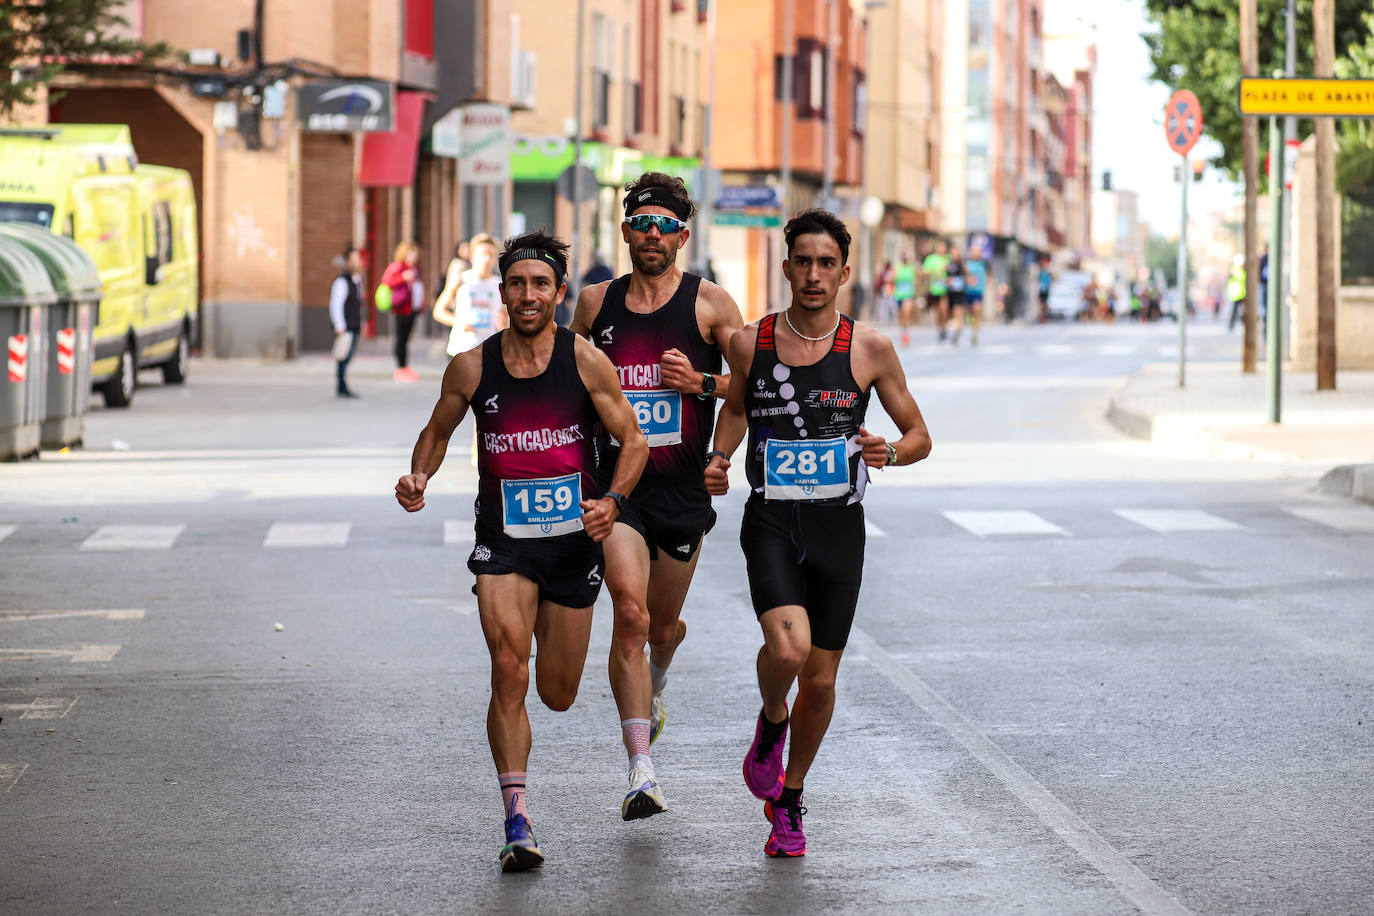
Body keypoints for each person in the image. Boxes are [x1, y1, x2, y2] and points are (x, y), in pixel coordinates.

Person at [395, 230, 648, 873]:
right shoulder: (474, 366)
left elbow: (633, 441)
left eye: (541, 284)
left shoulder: (586, 360)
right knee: (508, 665)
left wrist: (613, 501)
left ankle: (532, 765)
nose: (529, 295)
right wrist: (419, 475)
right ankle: (516, 817)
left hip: (572, 545)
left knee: (557, 691)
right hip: (503, 541)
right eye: (517, 284)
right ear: (501, 292)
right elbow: (436, 431)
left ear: (559, 293)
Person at [705, 209, 931, 858]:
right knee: (788, 650)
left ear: (844, 273)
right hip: (773, 520)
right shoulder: (752, 342)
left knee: (824, 681)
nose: (812, 274)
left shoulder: (869, 349)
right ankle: (771, 719)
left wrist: (891, 450)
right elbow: (737, 407)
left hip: (840, 529)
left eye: (825, 263)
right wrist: (720, 460)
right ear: (785, 269)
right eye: (801, 261)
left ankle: (791, 797)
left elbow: (920, 435)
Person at [570, 171, 745, 819]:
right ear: (625, 231)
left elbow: (755, 386)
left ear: (682, 235)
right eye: (642, 223)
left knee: (663, 627)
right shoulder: (594, 305)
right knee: (632, 617)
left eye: (665, 225)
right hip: (620, 493)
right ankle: (641, 768)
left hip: (680, 493)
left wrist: (701, 383)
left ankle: (658, 680)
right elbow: (569, 384)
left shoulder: (711, 306)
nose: (652, 234)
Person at [433, 234, 505, 357]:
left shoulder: (499, 285)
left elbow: (505, 316)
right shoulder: (461, 280)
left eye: (491, 255)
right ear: (472, 256)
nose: (487, 259)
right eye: (483, 254)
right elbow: (439, 311)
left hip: (488, 351)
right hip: (461, 349)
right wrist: (459, 322)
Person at [381, 242, 422, 381]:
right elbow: (387, 281)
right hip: (401, 308)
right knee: (401, 339)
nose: (413, 257)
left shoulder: (414, 268)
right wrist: (402, 277)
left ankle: (405, 367)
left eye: (414, 255)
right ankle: (400, 368)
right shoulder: (398, 266)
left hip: (412, 309)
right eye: (411, 254)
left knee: (406, 339)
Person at [328, 245, 364, 398]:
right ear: (348, 262)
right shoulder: (342, 282)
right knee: (343, 356)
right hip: (346, 326)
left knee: (348, 356)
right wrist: (339, 324)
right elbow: (336, 304)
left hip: (354, 325)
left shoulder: (357, 281)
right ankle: (341, 386)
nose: (359, 262)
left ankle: (342, 384)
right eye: (355, 259)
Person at [921, 240, 950, 341]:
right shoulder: (931, 259)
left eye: (943, 247)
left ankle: (944, 328)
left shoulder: (948, 259)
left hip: (945, 289)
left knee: (944, 309)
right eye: (939, 247)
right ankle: (940, 328)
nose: (941, 249)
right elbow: (924, 272)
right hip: (934, 289)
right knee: (937, 311)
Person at [964, 249, 988, 345]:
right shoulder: (967, 264)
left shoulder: (984, 264)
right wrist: (968, 280)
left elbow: (990, 275)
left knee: (977, 310)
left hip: (978, 291)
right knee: (970, 312)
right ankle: (971, 320)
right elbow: (964, 275)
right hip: (968, 291)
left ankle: (975, 333)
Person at [893, 255, 917, 346]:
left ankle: (906, 334)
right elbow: (891, 278)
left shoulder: (911, 268)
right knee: (901, 316)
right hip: (899, 295)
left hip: (908, 295)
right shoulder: (897, 268)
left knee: (906, 313)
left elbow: (917, 279)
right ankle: (903, 332)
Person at [944, 250, 966, 345]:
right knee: (949, 314)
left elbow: (966, 277)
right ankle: (953, 330)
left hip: (959, 293)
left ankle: (956, 332)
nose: (953, 255)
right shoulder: (948, 265)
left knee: (957, 313)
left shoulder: (962, 265)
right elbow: (944, 277)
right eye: (952, 253)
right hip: (950, 293)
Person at [1227, 254, 1246, 332]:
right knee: (1238, 310)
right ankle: (1234, 324)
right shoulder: (1238, 270)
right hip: (1238, 293)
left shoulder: (1234, 269)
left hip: (1237, 293)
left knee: (1237, 310)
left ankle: (1233, 325)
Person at [1037, 258, 1053, 324]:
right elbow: (1038, 281)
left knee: (1044, 304)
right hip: (1042, 290)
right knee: (1042, 304)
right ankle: (1042, 317)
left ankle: (1044, 317)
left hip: (1046, 290)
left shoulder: (1048, 273)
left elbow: (1051, 280)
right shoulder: (1041, 272)